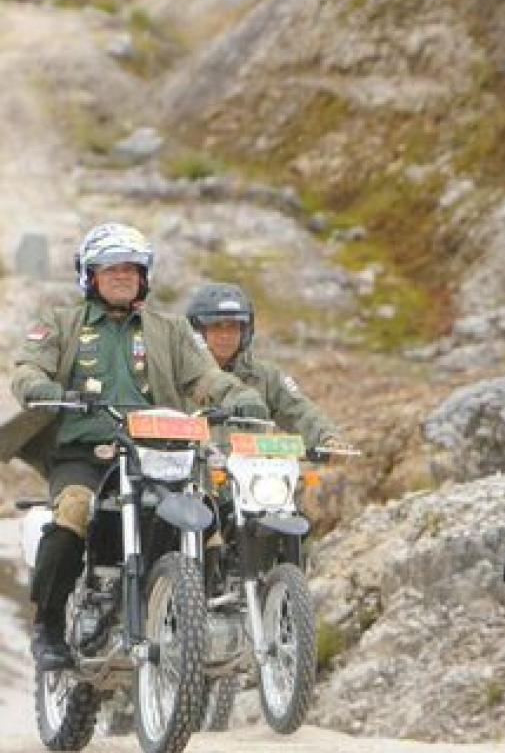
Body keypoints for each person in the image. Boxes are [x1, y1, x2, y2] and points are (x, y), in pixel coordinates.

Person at [4, 223, 269, 671]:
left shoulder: (169, 330)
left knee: (205, 515)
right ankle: (48, 626)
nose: (122, 275)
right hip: (87, 456)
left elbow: (203, 376)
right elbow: (27, 367)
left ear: (144, 275)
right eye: (110, 268)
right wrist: (40, 386)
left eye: (131, 267)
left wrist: (233, 393)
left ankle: (190, 619)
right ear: (90, 275)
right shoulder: (60, 323)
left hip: (158, 452)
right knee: (72, 510)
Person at [184, 282, 347, 454]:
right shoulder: (177, 372)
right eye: (217, 327)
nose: (226, 335)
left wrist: (328, 438)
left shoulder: (265, 376)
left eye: (233, 327)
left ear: (245, 331)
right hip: (186, 474)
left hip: (249, 475)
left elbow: (300, 411)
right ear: (198, 331)